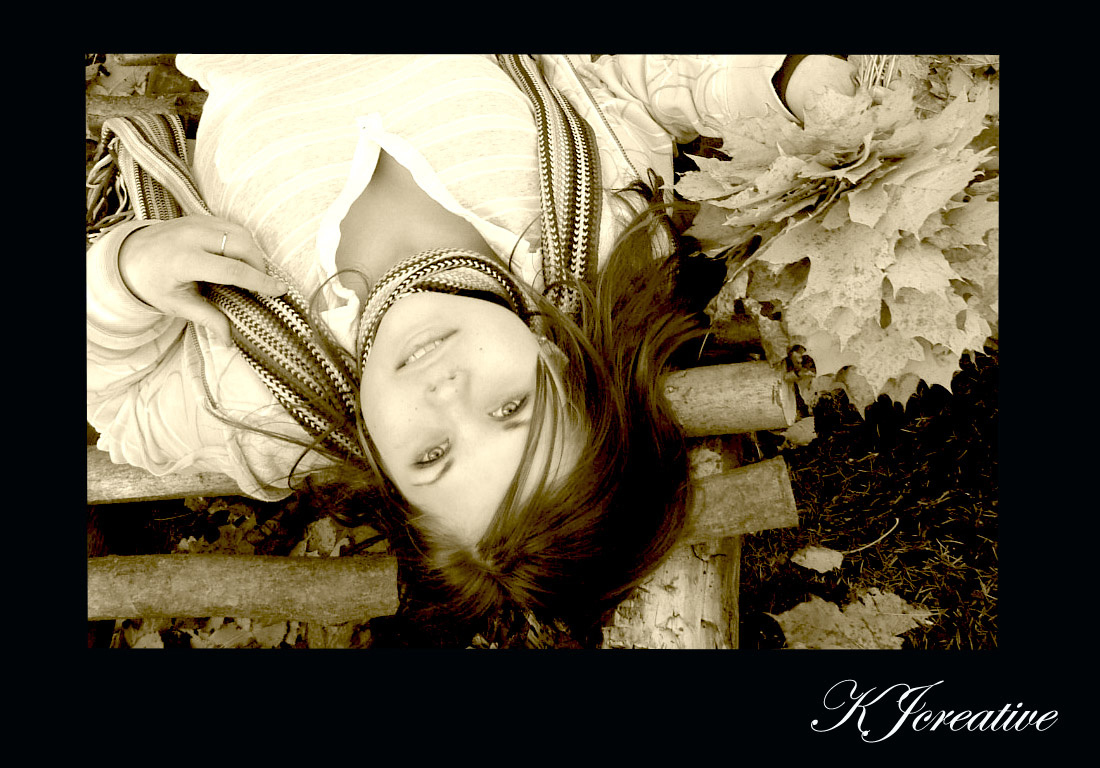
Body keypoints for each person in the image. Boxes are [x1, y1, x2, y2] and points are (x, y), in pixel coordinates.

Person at [87, 54, 857, 633]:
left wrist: (126, 275)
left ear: (390, 479)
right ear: (554, 359)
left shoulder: (262, 394)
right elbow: (621, 78)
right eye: (510, 407)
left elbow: (118, 405)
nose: (447, 394)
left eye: (431, 455)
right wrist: (773, 82)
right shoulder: (588, 228)